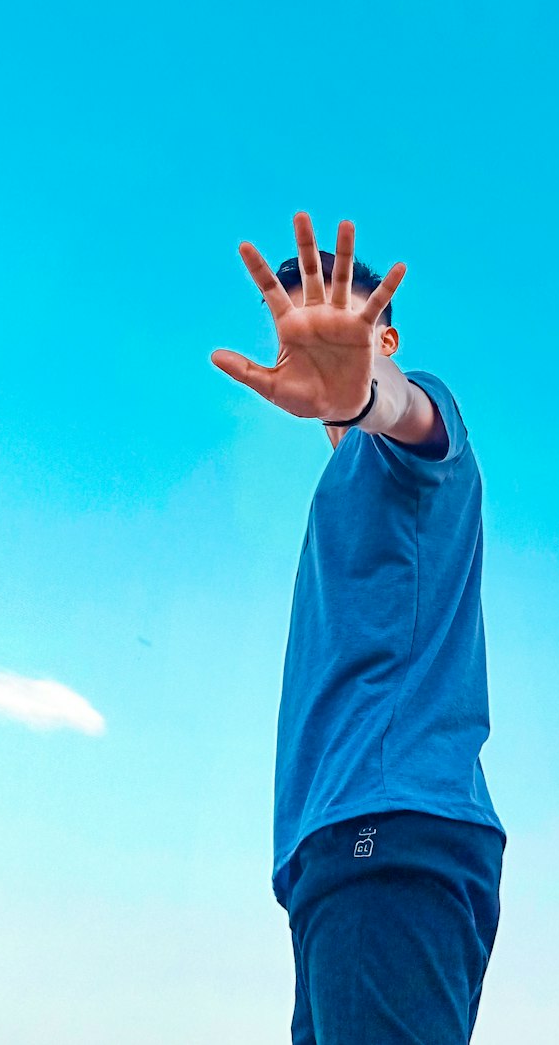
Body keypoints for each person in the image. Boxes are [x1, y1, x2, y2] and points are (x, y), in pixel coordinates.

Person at [211, 212, 506, 1045]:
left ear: (386, 333)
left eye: (343, 316)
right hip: (338, 853)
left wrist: (371, 389)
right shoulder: (341, 480)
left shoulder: (412, 444)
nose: (319, 338)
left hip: (388, 830)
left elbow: (411, 413)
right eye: (298, 328)